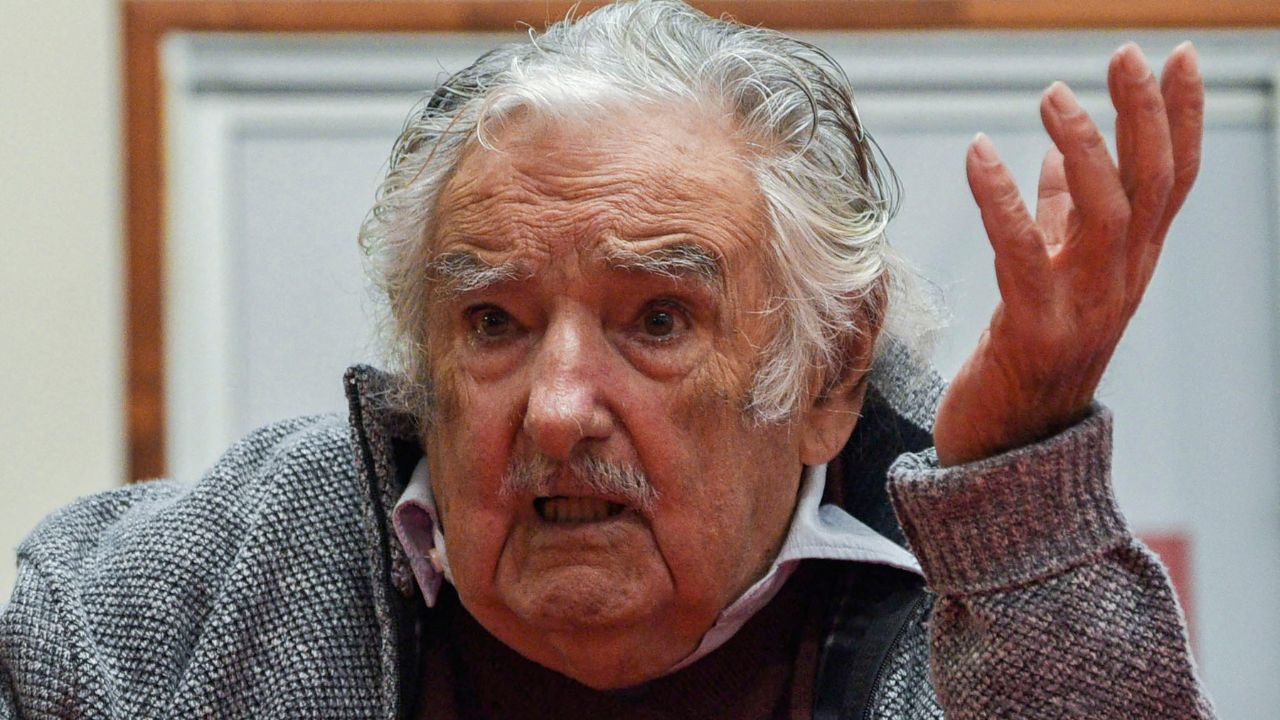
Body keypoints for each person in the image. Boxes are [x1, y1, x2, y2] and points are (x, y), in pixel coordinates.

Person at [0, 1, 1213, 717]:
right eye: (493, 323)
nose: (557, 409)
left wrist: (1015, 495)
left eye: (657, 321)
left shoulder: (977, 607)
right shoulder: (178, 611)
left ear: (828, 375)